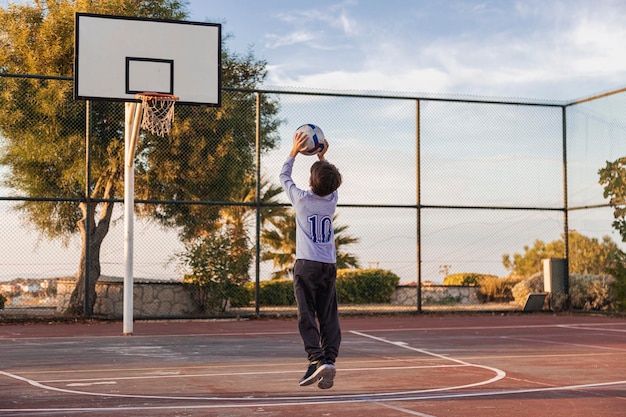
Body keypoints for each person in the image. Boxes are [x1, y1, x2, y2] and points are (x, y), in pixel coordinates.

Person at [279, 130, 343, 390]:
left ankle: (315, 358)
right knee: (328, 314)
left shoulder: (302, 200)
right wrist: (322, 156)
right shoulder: (332, 201)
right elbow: (328, 183)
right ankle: (328, 359)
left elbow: (284, 176)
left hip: (306, 265)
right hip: (328, 265)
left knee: (307, 314)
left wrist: (294, 151)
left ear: (311, 182)